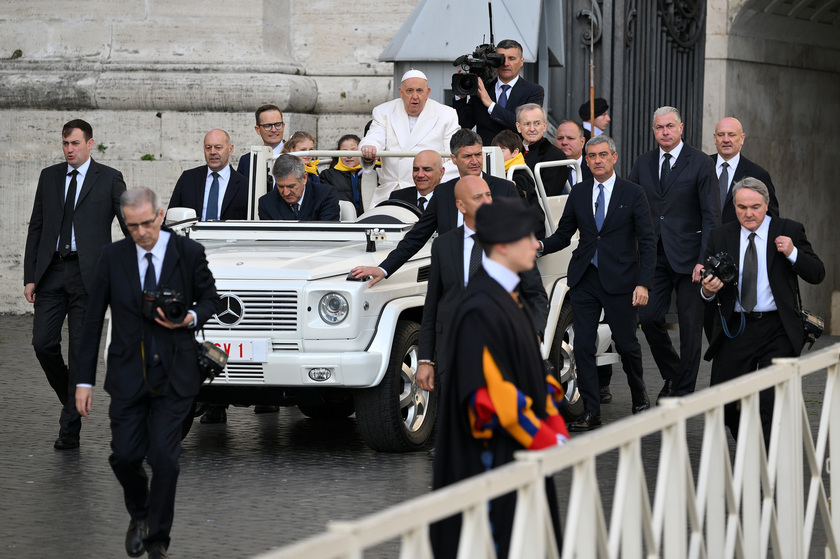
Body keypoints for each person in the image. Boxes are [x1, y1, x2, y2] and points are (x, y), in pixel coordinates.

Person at [75, 187, 220, 559]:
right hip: (127, 375)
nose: (141, 232)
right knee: (123, 457)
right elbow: (92, 322)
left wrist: (190, 317)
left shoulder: (188, 252)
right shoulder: (112, 257)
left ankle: (158, 541)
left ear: (160, 216)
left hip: (177, 375)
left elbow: (210, 299)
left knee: (165, 460)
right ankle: (139, 513)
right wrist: (83, 381)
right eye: (132, 226)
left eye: (146, 223)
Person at [430, 196, 568, 559]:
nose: (537, 244)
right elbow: (490, 394)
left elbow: (532, 369)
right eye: (528, 237)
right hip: (494, 457)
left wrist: (555, 418)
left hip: (520, 452)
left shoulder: (508, 294)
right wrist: (544, 436)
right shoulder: (480, 306)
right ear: (504, 246)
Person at [23, 118, 128, 450]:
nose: (69, 149)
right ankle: (73, 393)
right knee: (43, 344)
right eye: (65, 144)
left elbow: (129, 225)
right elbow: (36, 227)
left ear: (90, 143)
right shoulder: (49, 176)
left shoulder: (109, 179)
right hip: (52, 273)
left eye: (75, 144)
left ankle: (69, 430)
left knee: (81, 352)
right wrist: (29, 276)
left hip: (90, 278)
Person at [539, 135, 656, 430]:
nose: (598, 160)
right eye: (592, 156)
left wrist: (644, 284)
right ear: (586, 160)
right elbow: (564, 235)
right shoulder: (578, 193)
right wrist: (538, 246)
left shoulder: (633, 193)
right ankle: (591, 411)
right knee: (582, 347)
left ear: (614, 158)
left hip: (621, 281)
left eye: (603, 155)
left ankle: (639, 394)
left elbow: (647, 241)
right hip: (585, 278)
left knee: (627, 344)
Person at [700, 178, 823, 447]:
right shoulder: (721, 235)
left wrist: (792, 253)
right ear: (734, 207)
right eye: (742, 207)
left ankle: (765, 463)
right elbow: (707, 289)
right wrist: (708, 289)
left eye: (755, 207)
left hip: (776, 327)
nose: (749, 213)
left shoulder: (788, 229)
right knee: (728, 403)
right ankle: (749, 446)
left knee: (769, 399)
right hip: (737, 326)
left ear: (766, 205)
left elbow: (817, 273)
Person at [417, 176, 549, 393]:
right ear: (461, 206)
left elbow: (536, 296)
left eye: (489, 195)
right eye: (478, 197)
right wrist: (424, 360)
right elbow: (433, 303)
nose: (487, 202)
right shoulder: (443, 245)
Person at [628, 106, 718, 401]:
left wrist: (704, 259)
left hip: (692, 258)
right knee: (650, 317)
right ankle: (674, 372)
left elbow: (711, 216)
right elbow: (632, 209)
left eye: (670, 126)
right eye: (659, 127)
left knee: (691, 329)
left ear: (681, 128)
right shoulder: (643, 163)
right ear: (653, 131)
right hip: (655, 257)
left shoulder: (701, 163)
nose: (665, 132)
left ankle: (682, 393)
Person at [350, 129, 519, 286]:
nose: (475, 161)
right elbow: (416, 237)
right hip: (453, 287)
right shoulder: (443, 193)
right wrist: (384, 269)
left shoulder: (505, 190)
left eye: (478, 155)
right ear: (454, 159)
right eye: (467, 156)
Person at [359, 69, 459, 206]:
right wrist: (369, 148)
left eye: (419, 90)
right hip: (391, 191)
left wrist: (432, 181)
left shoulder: (447, 114)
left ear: (427, 93)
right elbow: (374, 137)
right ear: (400, 92)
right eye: (409, 91)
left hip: (431, 192)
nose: (415, 96)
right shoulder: (383, 111)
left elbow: (455, 157)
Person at [452, 39, 545, 146]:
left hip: (517, 157)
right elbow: (463, 125)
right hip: (485, 156)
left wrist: (491, 105)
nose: (505, 63)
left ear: (521, 61)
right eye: (501, 59)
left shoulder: (534, 91)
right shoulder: (482, 89)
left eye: (512, 58)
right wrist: (460, 96)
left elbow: (525, 126)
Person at [168, 129, 248, 221]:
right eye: (208, 147)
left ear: (230, 149)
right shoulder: (188, 179)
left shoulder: (244, 185)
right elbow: (171, 218)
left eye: (218, 147)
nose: (212, 152)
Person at [711, 117, 779, 224]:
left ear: (742, 138)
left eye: (732, 135)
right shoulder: (701, 165)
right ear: (715, 138)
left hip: (739, 238)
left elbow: (771, 216)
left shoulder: (758, 174)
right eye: (721, 135)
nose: (726, 140)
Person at [490, 129, 546, 238]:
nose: (496, 154)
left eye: (501, 150)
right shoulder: (499, 170)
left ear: (515, 152)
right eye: (494, 150)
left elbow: (524, 203)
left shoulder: (519, 174)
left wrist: (515, 190)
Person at [258, 154, 340, 221]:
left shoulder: (326, 195)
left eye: (291, 186)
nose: (286, 192)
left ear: (304, 178)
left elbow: (327, 235)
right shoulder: (266, 203)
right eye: (281, 186)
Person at [517, 103, 569, 196]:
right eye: (527, 124)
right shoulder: (513, 152)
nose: (532, 129)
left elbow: (549, 195)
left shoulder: (556, 156)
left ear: (544, 126)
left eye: (537, 123)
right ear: (519, 127)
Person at [236, 104, 285, 194]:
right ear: (257, 129)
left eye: (278, 124)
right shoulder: (246, 161)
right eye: (268, 126)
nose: (274, 129)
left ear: (283, 126)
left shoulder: (298, 154)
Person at [319, 134, 364, 216]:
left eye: (354, 151)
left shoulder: (371, 173)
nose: (349, 156)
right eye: (344, 151)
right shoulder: (328, 175)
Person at [555, 119, 593, 188]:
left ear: (582, 142)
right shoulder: (545, 170)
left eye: (570, 138)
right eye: (560, 138)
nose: (564, 142)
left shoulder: (594, 170)